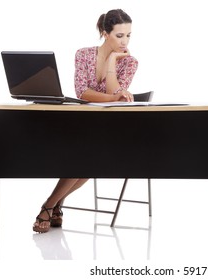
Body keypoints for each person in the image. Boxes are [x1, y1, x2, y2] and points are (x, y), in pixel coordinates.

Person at [33, 9, 138, 233]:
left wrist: (111, 61)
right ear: (104, 32)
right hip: (81, 121)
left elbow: (116, 98)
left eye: (128, 35)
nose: (125, 41)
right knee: (86, 156)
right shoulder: (83, 54)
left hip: (111, 126)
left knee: (88, 157)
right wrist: (113, 97)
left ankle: (49, 206)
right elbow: (83, 93)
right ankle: (55, 205)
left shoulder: (130, 63)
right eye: (119, 36)